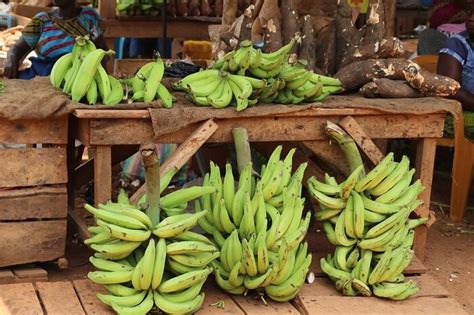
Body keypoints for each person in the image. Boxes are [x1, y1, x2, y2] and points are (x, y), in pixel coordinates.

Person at [3, 0, 107, 79]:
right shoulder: (42, 20)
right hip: (42, 75)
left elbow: (102, 52)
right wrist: (11, 58)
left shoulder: (88, 17)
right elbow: (18, 49)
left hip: (78, 77)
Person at [437, 0, 474, 138]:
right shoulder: (457, 44)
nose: (470, 18)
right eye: (470, 12)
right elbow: (450, 90)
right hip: (459, 114)